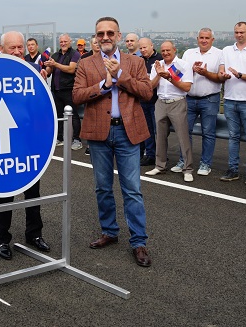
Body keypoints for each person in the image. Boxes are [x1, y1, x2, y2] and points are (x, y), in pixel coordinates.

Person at [73, 17, 154, 267]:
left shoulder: (135, 61)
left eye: (110, 32)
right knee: (102, 187)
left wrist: (119, 74)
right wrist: (104, 85)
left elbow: (147, 92)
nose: (105, 37)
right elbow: (77, 95)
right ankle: (109, 231)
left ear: (118, 35)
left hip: (128, 133)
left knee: (132, 189)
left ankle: (138, 241)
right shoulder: (85, 64)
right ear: (95, 37)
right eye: (100, 33)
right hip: (99, 134)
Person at [0, 31, 50, 260]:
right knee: (4, 192)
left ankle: (34, 234)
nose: (18, 52)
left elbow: (42, 105)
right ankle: (2, 239)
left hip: (30, 141)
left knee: (33, 191)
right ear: (2, 49)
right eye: (12, 48)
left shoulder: (35, 71)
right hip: (3, 142)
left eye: (20, 48)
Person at [218, 22, 246, 185]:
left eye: (242, 32)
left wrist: (240, 75)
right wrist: (224, 75)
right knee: (233, 137)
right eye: (236, 32)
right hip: (230, 100)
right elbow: (221, 72)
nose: (239, 35)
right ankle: (233, 170)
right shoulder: (226, 50)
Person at [145, 41, 195, 182]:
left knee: (182, 137)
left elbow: (186, 87)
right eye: (163, 50)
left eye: (168, 50)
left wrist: (169, 77)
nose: (166, 53)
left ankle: (188, 169)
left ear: (174, 50)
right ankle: (160, 166)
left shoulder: (183, 65)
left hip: (177, 103)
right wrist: (159, 74)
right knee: (160, 136)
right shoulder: (158, 65)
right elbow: (151, 86)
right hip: (161, 102)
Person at [178, 28, 224, 176]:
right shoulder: (188, 53)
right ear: (197, 39)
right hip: (189, 98)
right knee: (185, 132)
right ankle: (184, 161)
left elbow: (220, 78)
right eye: (201, 38)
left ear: (212, 40)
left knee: (208, 133)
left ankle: (205, 164)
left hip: (210, 99)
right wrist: (191, 70)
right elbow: (180, 75)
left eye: (207, 38)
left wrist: (205, 73)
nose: (204, 40)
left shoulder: (219, 54)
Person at [45, 34, 82, 150]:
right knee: (59, 115)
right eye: (61, 42)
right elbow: (49, 72)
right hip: (56, 90)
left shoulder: (74, 54)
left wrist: (55, 64)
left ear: (70, 42)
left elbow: (71, 69)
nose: (63, 43)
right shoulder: (55, 55)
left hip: (69, 90)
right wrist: (48, 66)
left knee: (74, 116)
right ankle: (60, 138)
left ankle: (77, 139)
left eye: (65, 41)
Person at [137, 38, 162, 166]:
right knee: (147, 130)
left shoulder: (160, 59)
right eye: (140, 48)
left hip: (157, 100)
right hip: (143, 100)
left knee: (159, 130)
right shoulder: (139, 61)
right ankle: (150, 154)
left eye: (145, 47)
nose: (143, 50)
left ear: (151, 46)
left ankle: (161, 155)